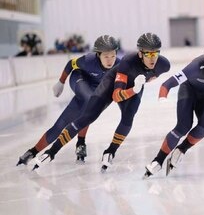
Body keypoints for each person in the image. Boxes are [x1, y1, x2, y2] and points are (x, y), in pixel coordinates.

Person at [31, 33, 171, 172]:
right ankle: (52, 152)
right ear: (140, 53)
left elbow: (152, 74)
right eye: (148, 54)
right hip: (113, 84)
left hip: (135, 87)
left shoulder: (164, 65)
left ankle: (110, 151)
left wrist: (139, 86)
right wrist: (134, 89)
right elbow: (116, 96)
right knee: (88, 116)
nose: (153, 58)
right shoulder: (127, 62)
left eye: (156, 53)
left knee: (128, 118)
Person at [143, 38, 204, 179]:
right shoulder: (196, 67)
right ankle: (157, 161)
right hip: (189, 92)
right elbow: (167, 84)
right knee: (183, 127)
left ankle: (181, 150)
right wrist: (162, 97)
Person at [17, 35, 120, 166]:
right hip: (79, 78)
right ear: (98, 55)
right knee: (90, 102)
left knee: (68, 120)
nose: (110, 59)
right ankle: (78, 142)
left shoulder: (119, 65)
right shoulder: (88, 60)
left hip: (95, 89)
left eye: (113, 55)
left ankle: (34, 151)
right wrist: (61, 82)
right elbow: (70, 64)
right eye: (106, 56)